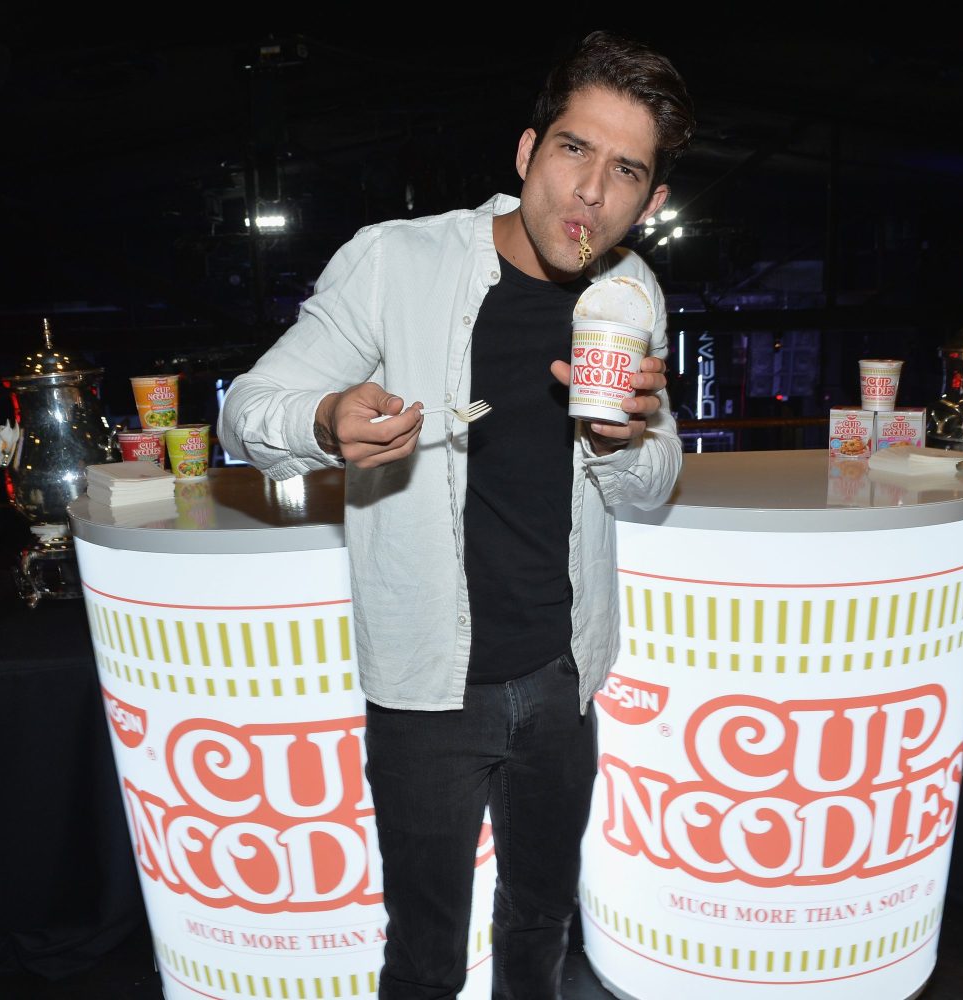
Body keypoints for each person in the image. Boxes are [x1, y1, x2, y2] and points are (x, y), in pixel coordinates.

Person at [218, 31, 693, 999]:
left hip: (562, 681)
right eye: (573, 150)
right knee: (425, 954)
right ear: (526, 152)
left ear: (647, 200)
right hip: (430, 693)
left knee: (540, 924)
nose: (590, 192)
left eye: (625, 171)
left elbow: (651, 490)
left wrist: (625, 442)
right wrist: (323, 419)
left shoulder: (632, 290)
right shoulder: (397, 263)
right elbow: (242, 415)